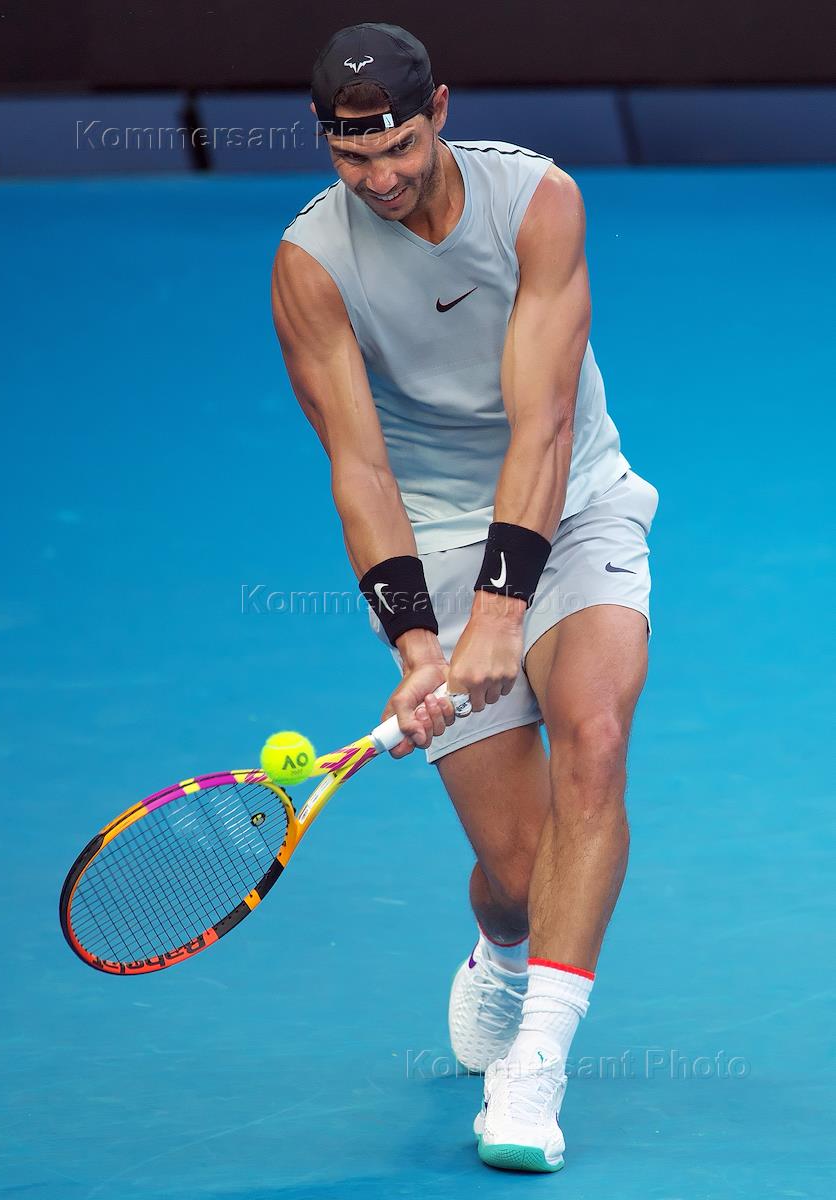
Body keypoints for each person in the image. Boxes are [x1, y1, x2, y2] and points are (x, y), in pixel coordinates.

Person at [272, 21, 659, 1173]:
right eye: (352, 156)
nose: (380, 177)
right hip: (433, 538)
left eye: (397, 145)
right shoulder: (309, 266)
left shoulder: (537, 203)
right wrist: (416, 644)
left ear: (438, 109)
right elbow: (359, 470)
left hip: (572, 500)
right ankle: (500, 949)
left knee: (593, 736)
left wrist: (501, 614)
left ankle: (533, 1068)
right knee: (523, 875)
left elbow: (542, 425)